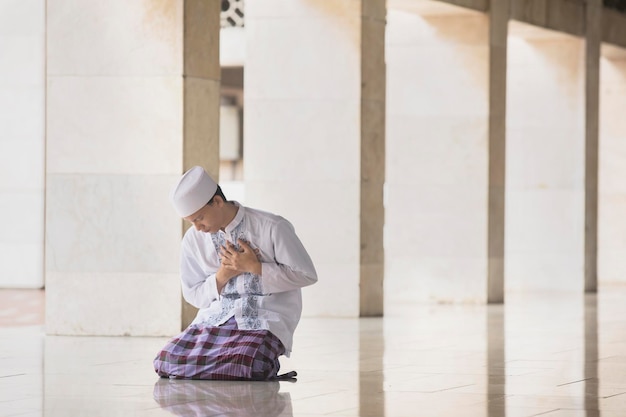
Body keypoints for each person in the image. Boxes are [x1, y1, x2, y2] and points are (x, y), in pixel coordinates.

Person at [153, 166, 317, 380]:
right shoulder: (193, 240)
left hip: (263, 318)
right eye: (191, 222)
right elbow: (193, 293)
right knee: (167, 360)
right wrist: (222, 276)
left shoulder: (271, 226)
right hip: (216, 318)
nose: (198, 227)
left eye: (200, 218)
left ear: (218, 202)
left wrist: (254, 267)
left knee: (248, 361)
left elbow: (306, 274)